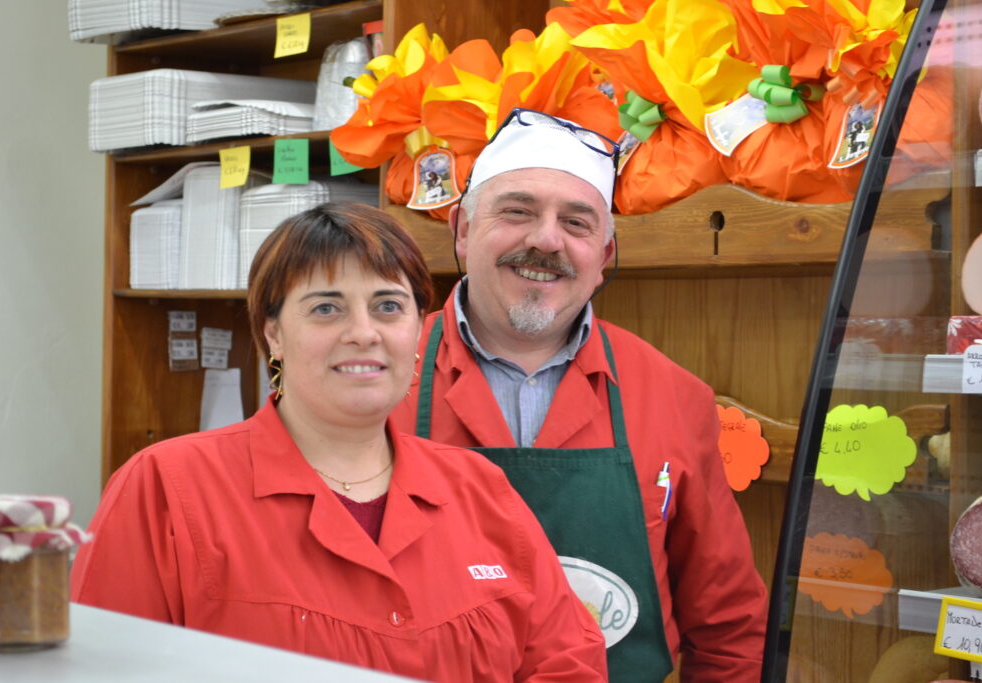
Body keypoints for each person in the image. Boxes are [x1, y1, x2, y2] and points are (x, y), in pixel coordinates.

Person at [71, 202, 608, 682]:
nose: (364, 332)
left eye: (388, 307)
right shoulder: (167, 487)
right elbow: (97, 670)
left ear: (418, 332)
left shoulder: (480, 489)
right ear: (273, 333)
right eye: (326, 308)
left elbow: (567, 664)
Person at [391, 109, 768, 682]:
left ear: (605, 258)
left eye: (577, 222)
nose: (545, 240)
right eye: (517, 211)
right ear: (463, 232)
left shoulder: (675, 397)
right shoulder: (373, 380)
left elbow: (730, 628)